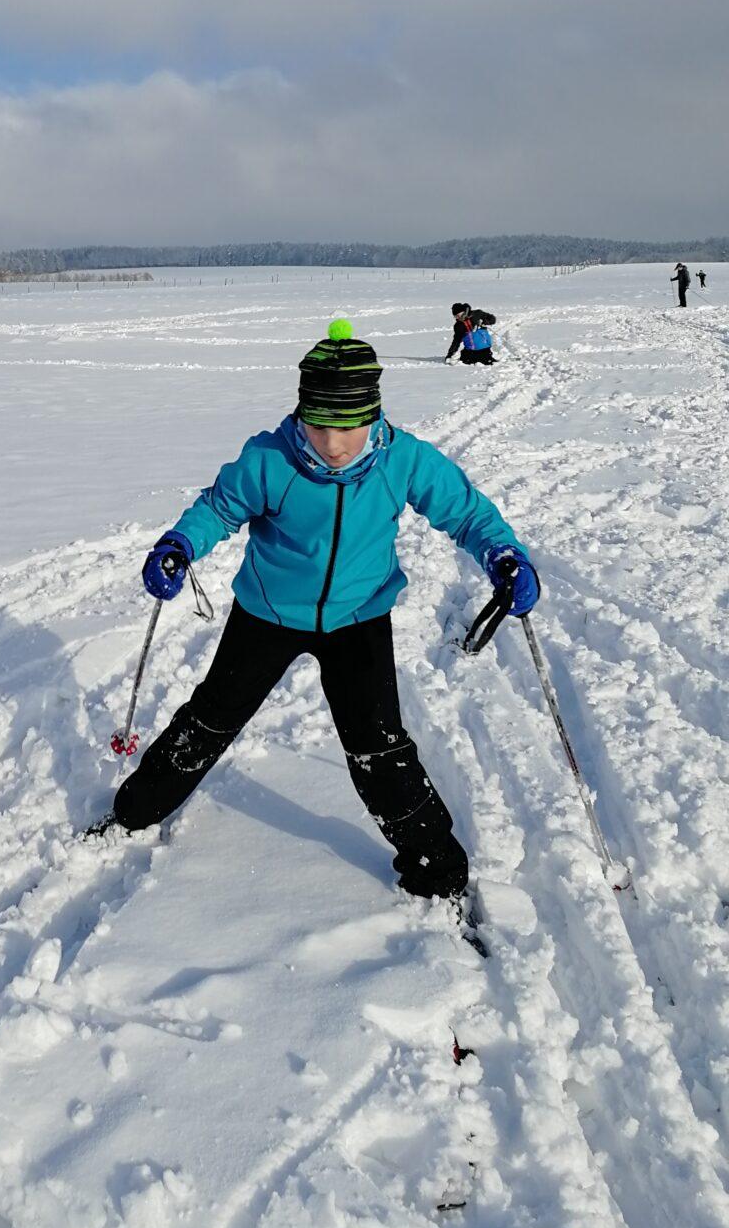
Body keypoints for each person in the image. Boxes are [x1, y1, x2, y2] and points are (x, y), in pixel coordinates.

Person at [102, 320, 539, 909]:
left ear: (374, 417)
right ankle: (132, 815)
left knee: (380, 749)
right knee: (209, 719)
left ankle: (437, 875)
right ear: (302, 413)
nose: (334, 443)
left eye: (350, 426)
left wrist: (503, 554)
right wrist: (180, 544)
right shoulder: (268, 458)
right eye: (320, 425)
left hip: (358, 619)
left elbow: (466, 512)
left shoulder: (403, 460)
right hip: (268, 615)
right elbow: (217, 509)